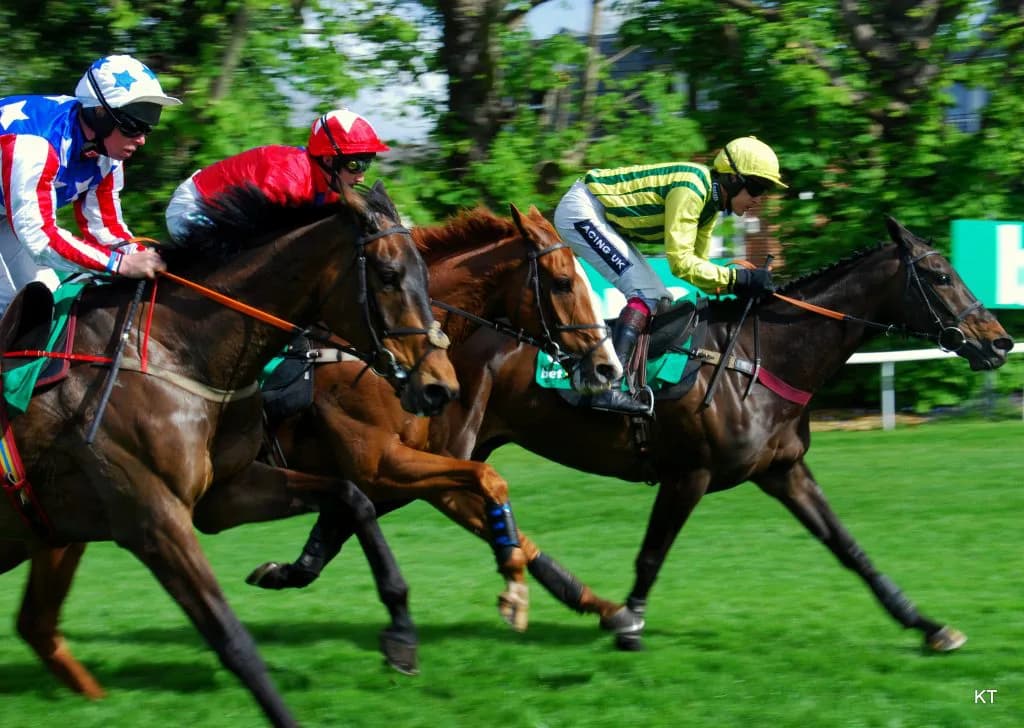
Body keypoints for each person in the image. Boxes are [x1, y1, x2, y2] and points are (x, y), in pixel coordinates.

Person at [553, 135, 787, 415]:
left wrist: (738, 285)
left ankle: (598, 367)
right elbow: (681, 263)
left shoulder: (708, 207)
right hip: (582, 211)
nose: (758, 199)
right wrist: (739, 279)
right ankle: (605, 386)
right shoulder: (692, 188)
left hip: (599, 215)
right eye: (757, 188)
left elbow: (698, 269)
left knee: (659, 298)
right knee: (646, 293)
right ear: (733, 179)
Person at [0, 54, 176, 315]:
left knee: (48, 301)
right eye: (133, 126)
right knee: (8, 305)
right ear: (100, 114)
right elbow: (40, 239)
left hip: (6, 217)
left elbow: (104, 230)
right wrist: (120, 265)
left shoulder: (106, 154)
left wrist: (148, 259)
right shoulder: (34, 147)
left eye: (148, 126)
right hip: (18, 219)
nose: (142, 139)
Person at [165, 108, 389, 243]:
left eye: (366, 165)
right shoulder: (288, 178)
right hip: (194, 206)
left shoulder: (327, 188)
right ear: (329, 159)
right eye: (354, 165)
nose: (361, 177)